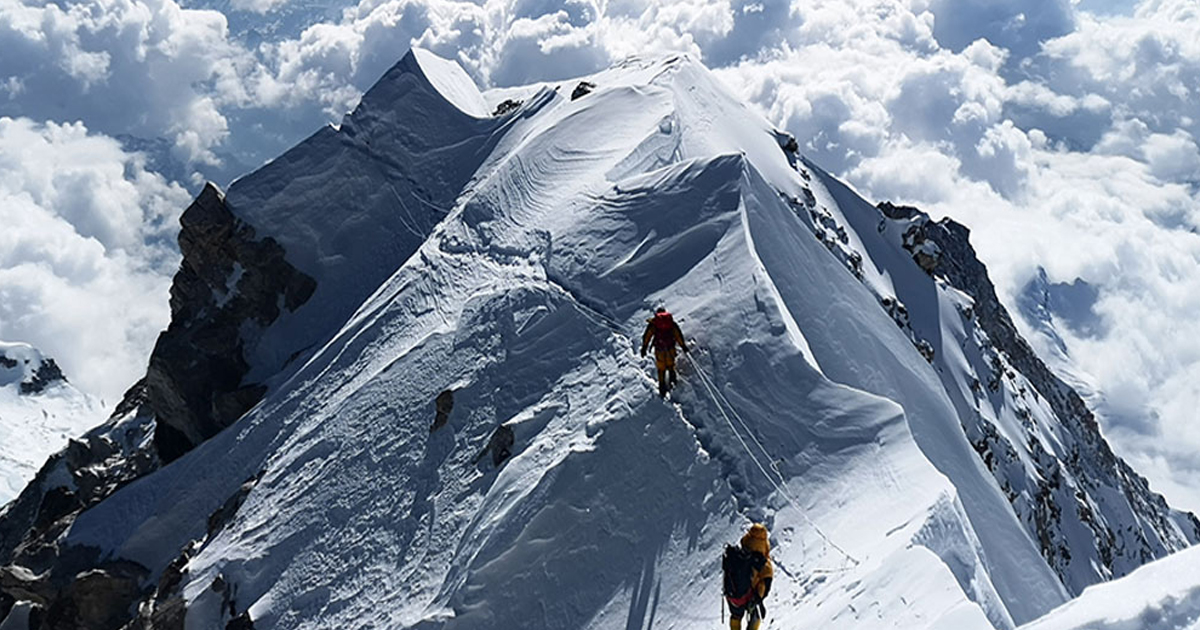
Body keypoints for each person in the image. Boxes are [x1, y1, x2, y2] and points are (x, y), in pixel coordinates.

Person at [725, 523, 774, 630]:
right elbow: (765, 584)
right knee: (756, 617)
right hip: (749, 597)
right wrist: (759, 597)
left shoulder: (740, 554)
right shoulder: (763, 563)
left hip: (733, 595)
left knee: (736, 616)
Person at [640, 307, 689, 397]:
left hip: (660, 351)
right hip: (670, 349)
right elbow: (678, 334)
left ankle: (662, 389)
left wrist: (644, 348)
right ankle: (673, 384)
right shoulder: (670, 323)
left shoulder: (654, 323)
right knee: (671, 366)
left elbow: (647, 336)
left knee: (661, 369)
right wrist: (683, 346)